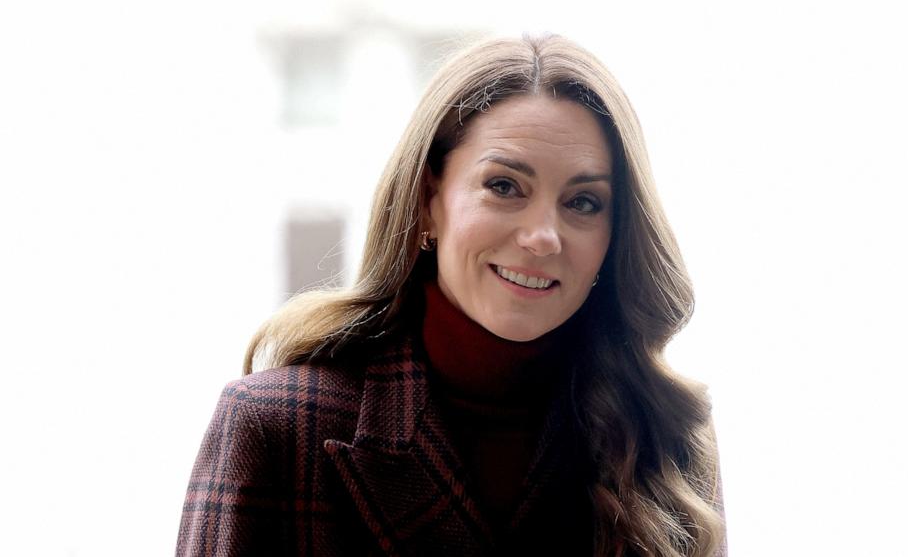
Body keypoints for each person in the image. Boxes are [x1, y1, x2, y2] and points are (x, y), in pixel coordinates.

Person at [177, 34, 727, 557]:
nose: (543, 236)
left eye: (583, 202)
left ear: (615, 234)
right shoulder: (276, 427)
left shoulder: (664, 436)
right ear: (427, 200)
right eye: (504, 186)